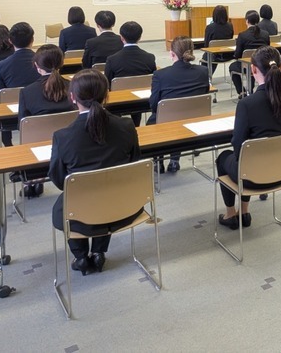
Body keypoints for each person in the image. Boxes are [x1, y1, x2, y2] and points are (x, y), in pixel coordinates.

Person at [48, 69, 140, 275]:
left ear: (72, 97)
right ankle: (98, 252)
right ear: (106, 94)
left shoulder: (62, 137)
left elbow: (59, 180)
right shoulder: (126, 125)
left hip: (80, 213)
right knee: (106, 190)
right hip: (123, 207)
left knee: (70, 201)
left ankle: (80, 256)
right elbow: (134, 163)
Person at [215, 46, 281, 229]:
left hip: (253, 178)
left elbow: (238, 147)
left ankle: (232, 213)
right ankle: (244, 212)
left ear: (253, 69)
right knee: (247, 159)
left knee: (224, 158)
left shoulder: (247, 104)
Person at [16, 44, 74, 197]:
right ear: (62, 63)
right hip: (71, 143)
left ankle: (33, 182)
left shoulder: (27, 92)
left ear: (36, 66)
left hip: (38, 147)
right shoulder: (74, 87)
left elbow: (22, 127)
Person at [148, 36, 210, 173]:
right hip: (195, 119)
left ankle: (158, 161)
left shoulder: (160, 75)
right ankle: (174, 160)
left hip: (167, 121)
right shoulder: (203, 71)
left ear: (172, 54)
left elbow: (153, 104)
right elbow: (204, 93)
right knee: (179, 116)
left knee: (154, 120)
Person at [0, 22, 41, 146]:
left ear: (10, 41)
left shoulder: (2, 65)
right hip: (40, 110)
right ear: (32, 40)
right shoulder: (43, 61)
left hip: (11, 115)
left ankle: (8, 146)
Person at [228, 11, 271, 95]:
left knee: (232, 67)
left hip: (247, 66)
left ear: (247, 21)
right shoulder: (265, 34)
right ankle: (250, 89)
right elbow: (268, 50)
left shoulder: (242, 35)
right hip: (262, 65)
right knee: (251, 63)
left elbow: (238, 55)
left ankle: (241, 91)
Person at [200, 5, 234, 74]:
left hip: (213, 56)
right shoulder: (230, 26)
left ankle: (207, 76)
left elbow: (206, 45)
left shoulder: (210, 27)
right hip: (227, 55)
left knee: (207, 55)